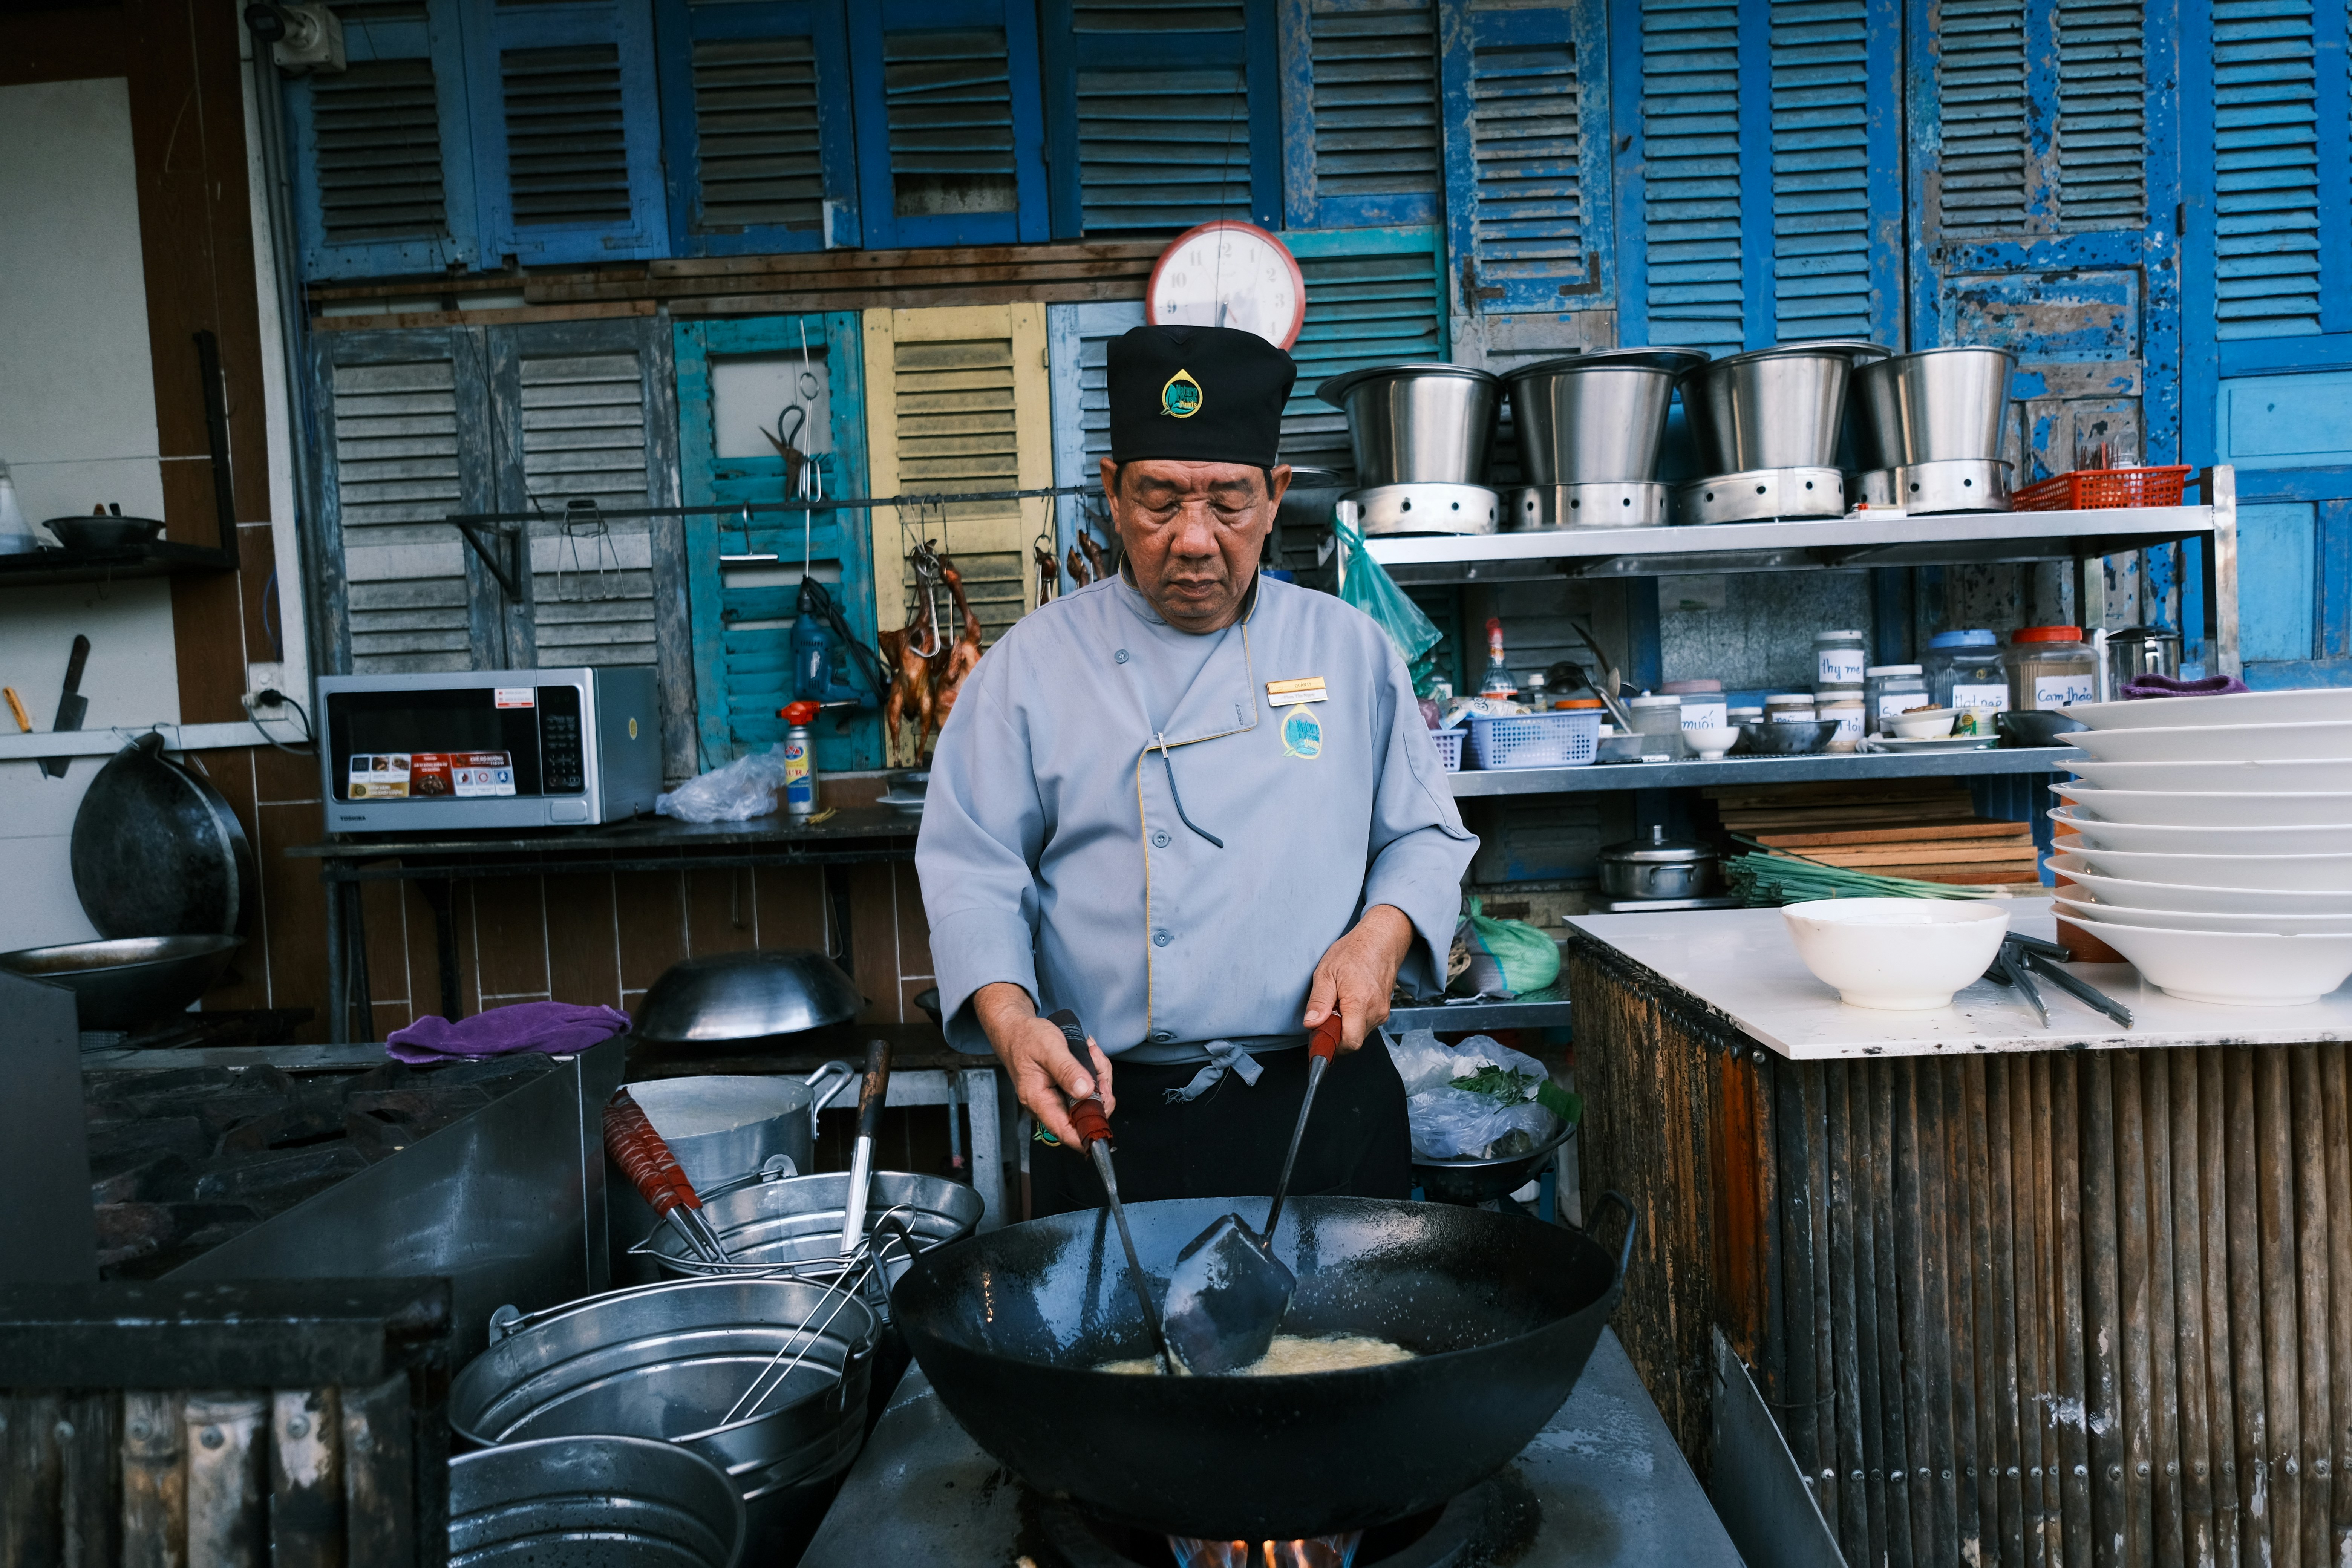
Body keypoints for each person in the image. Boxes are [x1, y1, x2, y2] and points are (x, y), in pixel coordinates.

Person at [915, 323, 1478, 1217]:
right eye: (1160, 498)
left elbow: (1424, 834)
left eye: (1228, 501)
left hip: (1322, 1101)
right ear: (1109, 490)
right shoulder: (1029, 668)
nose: (1193, 537)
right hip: (1103, 1110)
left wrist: (1382, 937)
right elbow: (971, 872)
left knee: (1341, 1355)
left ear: (1277, 494)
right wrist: (1014, 1022)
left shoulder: (1350, 650)